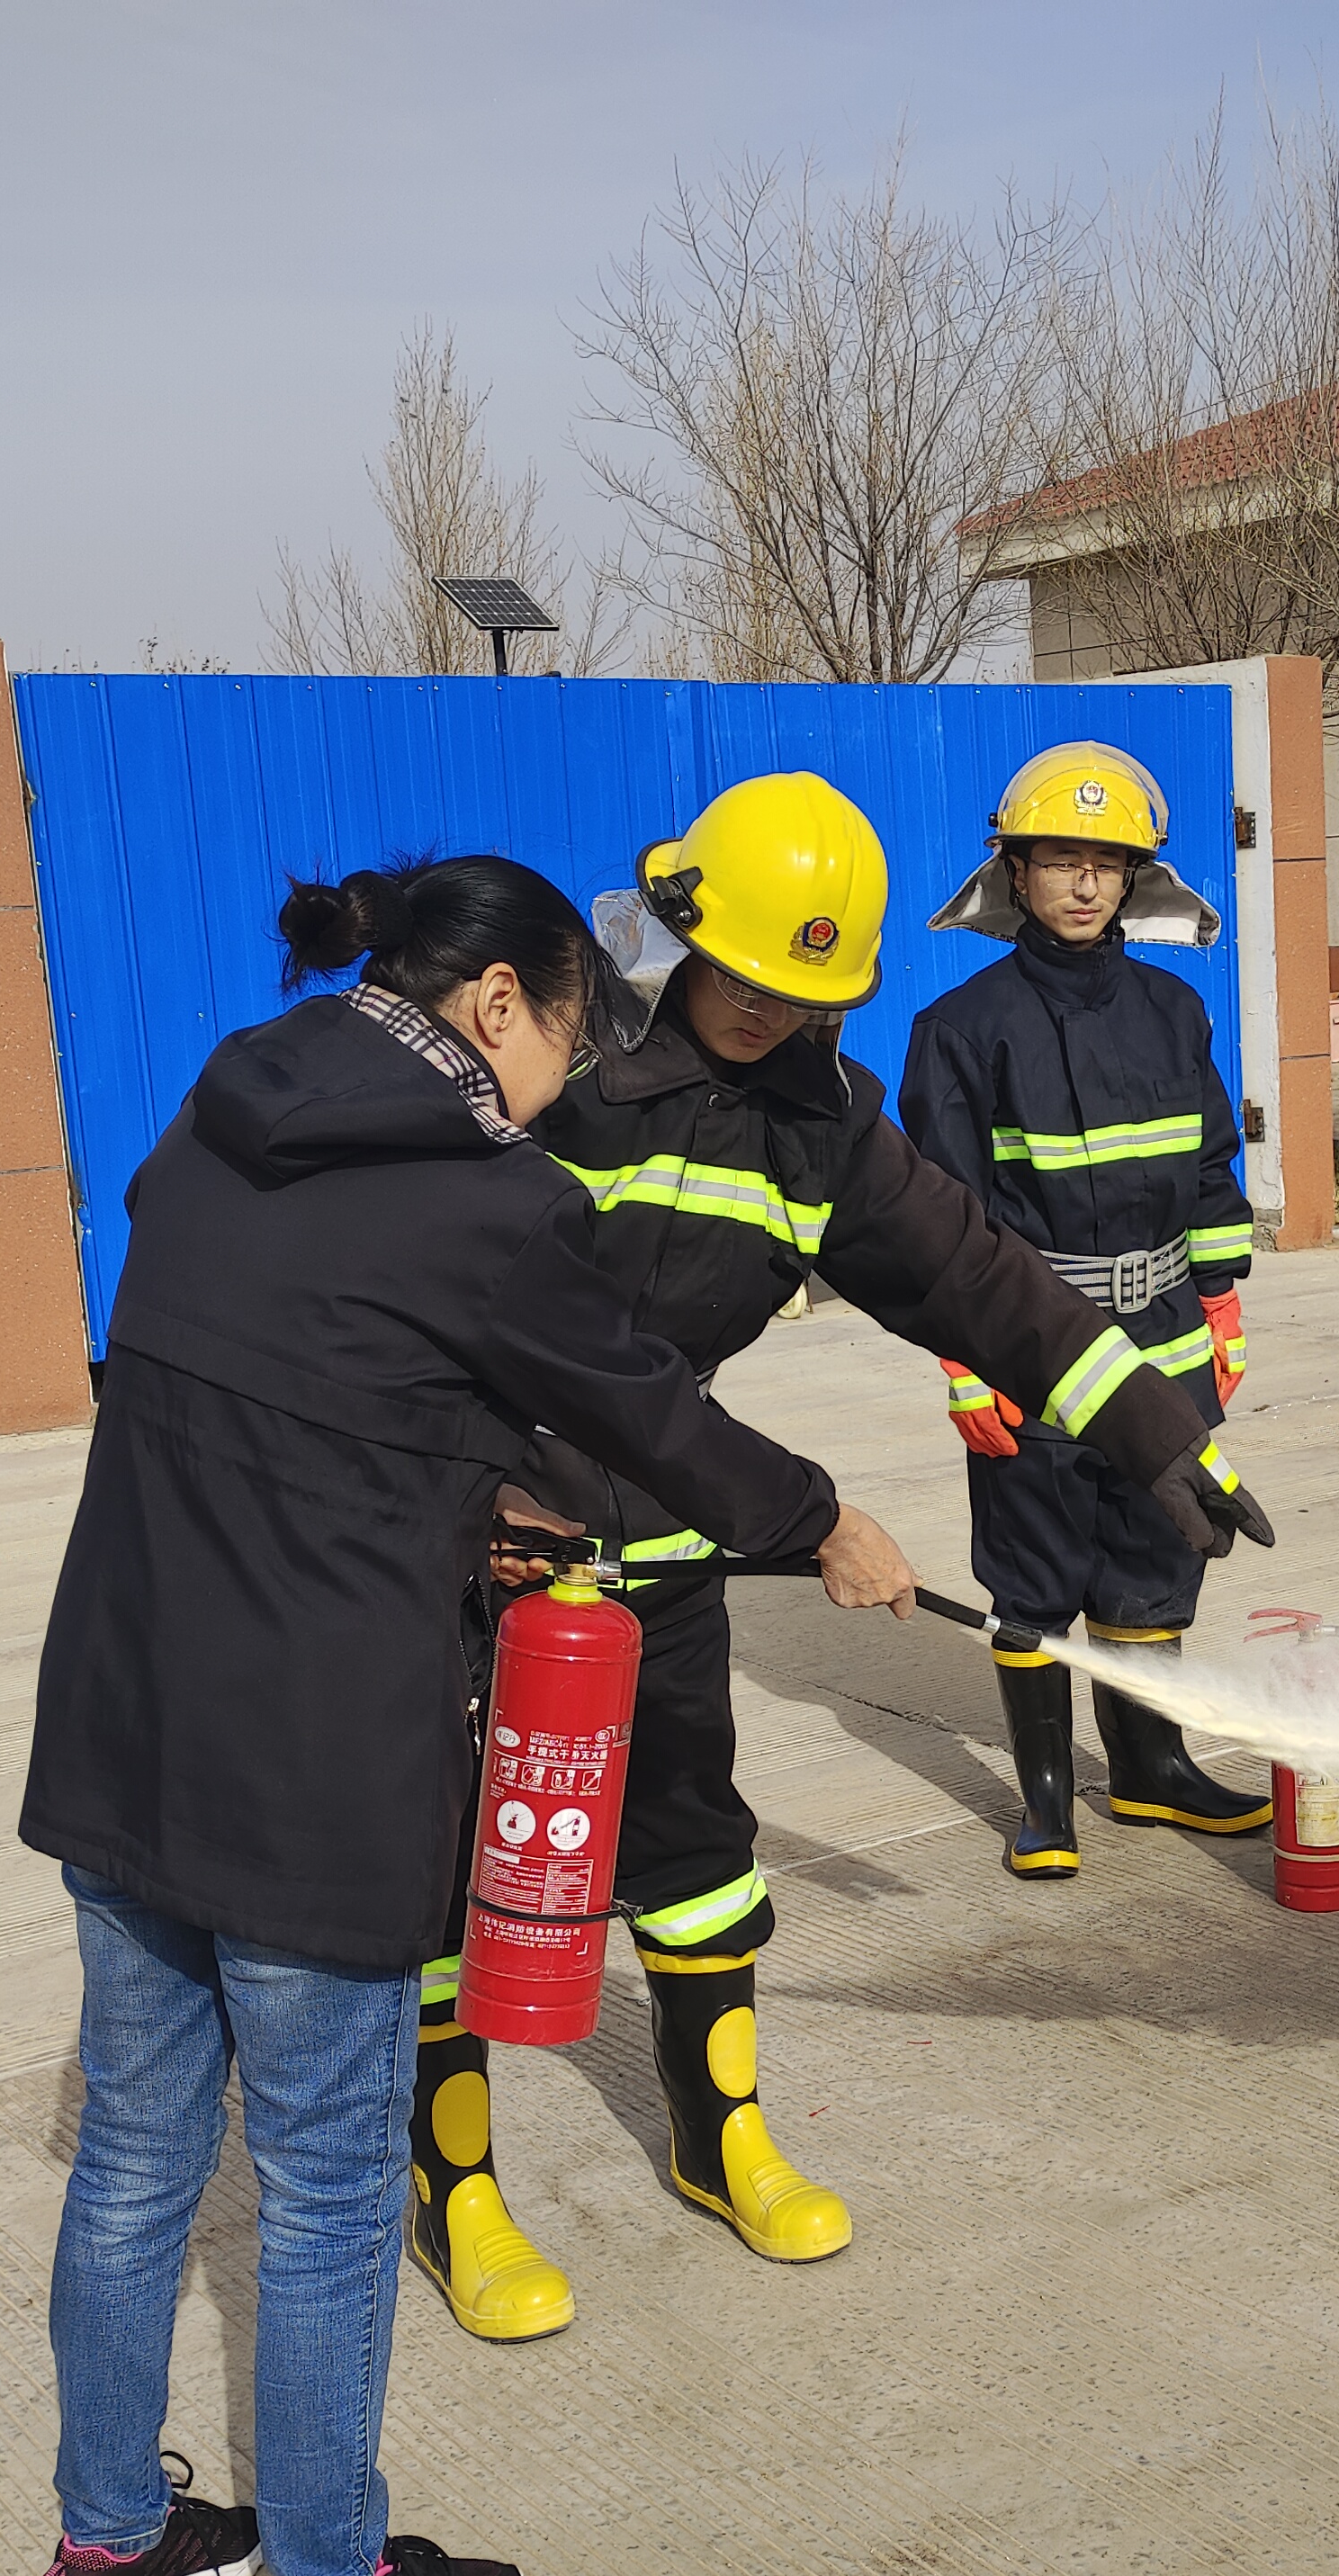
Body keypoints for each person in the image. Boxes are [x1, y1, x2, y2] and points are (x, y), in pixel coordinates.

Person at [15, 853, 920, 2576]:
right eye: (563, 1046)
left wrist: (456, 1491)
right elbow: (641, 1413)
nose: (558, 1093)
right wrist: (823, 1520)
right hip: (308, 1772)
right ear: (499, 1002)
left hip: (123, 1721)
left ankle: (108, 2548)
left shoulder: (215, 1115)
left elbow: (297, 1382)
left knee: (131, 2165)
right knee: (333, 2189)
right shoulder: (480, 1198)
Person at [400, 770, 1271, 2346]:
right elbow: (431, 1311)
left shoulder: (825, 1124)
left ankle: (712, 2126)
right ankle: (448, 2178)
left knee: (690, 1852)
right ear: (682, 935)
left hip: (660, 1547)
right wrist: (497, 1499)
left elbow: (982, 1284)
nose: (770, 1018)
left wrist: (1157, 1435)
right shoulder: (562, 1080)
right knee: (457, 1869)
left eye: (810, 995)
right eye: (748, 981)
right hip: (471, 1550)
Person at [900, 741, 1270, 1878]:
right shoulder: (962, 1026)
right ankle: (1048, 1802)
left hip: (1164, 1337)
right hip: (1034, 1342)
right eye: (1060, 859)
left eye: (1107, 862)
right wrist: (967, 1365)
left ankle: (1152, 1774)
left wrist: (1221, 1302)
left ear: (1134, 875)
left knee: (1158, 1556)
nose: (1085, 883)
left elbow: (1211, 1164)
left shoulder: (1173, 1009)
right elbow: (940, 1219)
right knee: (1036, 1570)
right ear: (1014, 872)